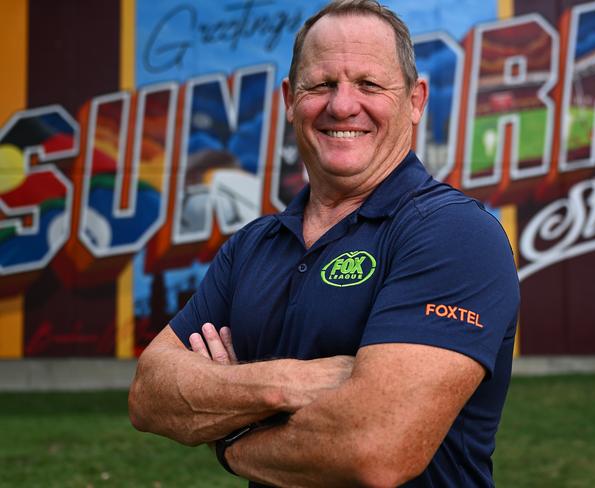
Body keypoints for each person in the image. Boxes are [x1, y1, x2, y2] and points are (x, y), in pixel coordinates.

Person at [128, 1, 520, 486]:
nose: (342, 105)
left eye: (369, 84)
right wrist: (286, 384)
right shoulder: (254, 245)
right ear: (291, 99)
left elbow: (374, 448)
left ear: (416, 100)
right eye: (321, 84)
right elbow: (150, 394)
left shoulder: (454, 234)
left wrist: (228, 434)